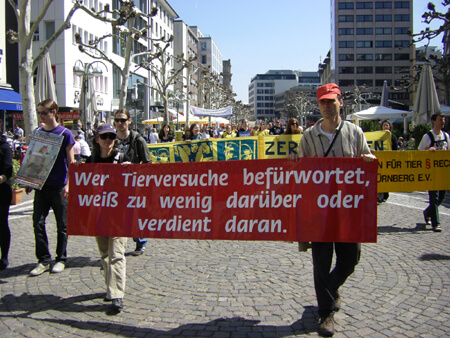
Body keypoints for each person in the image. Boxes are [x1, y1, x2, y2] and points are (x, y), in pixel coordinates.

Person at [289, 83, 376, 337]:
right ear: (318, 106)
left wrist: (369, 161)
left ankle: (331, 287)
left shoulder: (355, 132)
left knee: (351, 259)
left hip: (348, 210)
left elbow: (366, 159)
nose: (326, 106)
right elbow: (300, 175)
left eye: (331, 101)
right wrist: (295, 162)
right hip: (319, 213)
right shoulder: (308, 137)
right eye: (322, 102)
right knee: (321, 262)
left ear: (341, 103)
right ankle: (326, 314)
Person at [29, 99, 75, 276]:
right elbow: (33, 158)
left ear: (54, 112)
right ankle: (43, 259)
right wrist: (29, 180)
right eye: (40, 112)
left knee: (62, 225)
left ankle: (61, 258)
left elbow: (71, 163)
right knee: (37, 223)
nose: (42, 116)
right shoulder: (38, 132)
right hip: (41, 185)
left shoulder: (65, 134)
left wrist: (69, 185)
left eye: (45, 112)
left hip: (58, 186)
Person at [90, 123, 131, 314]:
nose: (108, 141)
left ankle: (117, 295)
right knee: (105, 254)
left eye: (111, 137)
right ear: (97, 139)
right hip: (99, 215)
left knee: (117, 254)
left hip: (118, 215)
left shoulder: (121, 158)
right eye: (104, 137)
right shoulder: (90, 161)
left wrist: (131, 171)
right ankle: (110, 288)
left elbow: (135, 186)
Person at [114, 108, 151, 255]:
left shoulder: (138, 140)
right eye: (117, 120)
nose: (119, 123)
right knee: (116, 215)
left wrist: (133, 167)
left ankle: (140, 242)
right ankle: (117, 244)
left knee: (135, 214)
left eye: (123, 120)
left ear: (129, 121)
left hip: (133, 184)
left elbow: (148, 164)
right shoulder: (110, 138)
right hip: (115, 185)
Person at [418, 112, 448, 232]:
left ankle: (427, 212)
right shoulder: (428, 136)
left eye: (444, 119)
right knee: (434, 198)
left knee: (441, 197)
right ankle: (436, 223)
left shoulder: (446, 136)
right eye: (440, 119)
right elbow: (419, 152)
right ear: (434, 121)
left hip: (443, 172)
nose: (443, 122)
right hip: (431, 172)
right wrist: (428, 151)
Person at [0, 132, 13, 270]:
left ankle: (4, 257)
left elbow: (8, 172)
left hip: (2, 191)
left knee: (2, 224)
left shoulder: (5, 147)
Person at [378, 120, 398, 203]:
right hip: (381, 160)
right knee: (380, 177)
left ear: (390, 127)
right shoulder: (379, 136)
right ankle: (379, 196)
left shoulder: (392, 137)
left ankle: (386, 194)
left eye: (387, 125)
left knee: (386, 178)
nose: (386, 127)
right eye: (384, 125)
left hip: (389, 160)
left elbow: (395, 148)